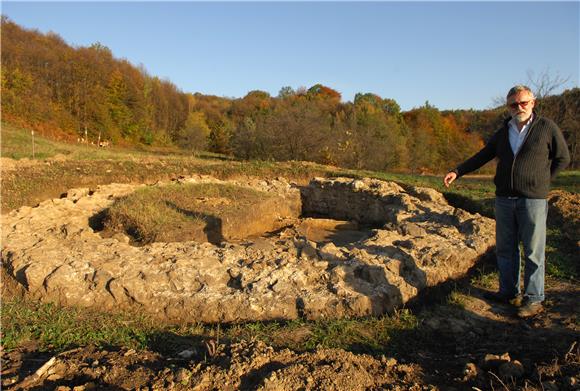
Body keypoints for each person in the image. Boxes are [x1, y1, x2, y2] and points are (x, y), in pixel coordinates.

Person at [443, 85, 570, 318]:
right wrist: (458, 171)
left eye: (523, 103)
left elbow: (563, 157)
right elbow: (483, 155)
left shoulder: (545, 127)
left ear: (533, 103)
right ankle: (508, 292)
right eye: (514, 104)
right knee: (505, 248)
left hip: (532, 199)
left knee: (533, 251)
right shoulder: (504, 131)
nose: (519, 107)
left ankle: (533, 298)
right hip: (504, 199)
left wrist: (542, 180)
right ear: (508, 106)